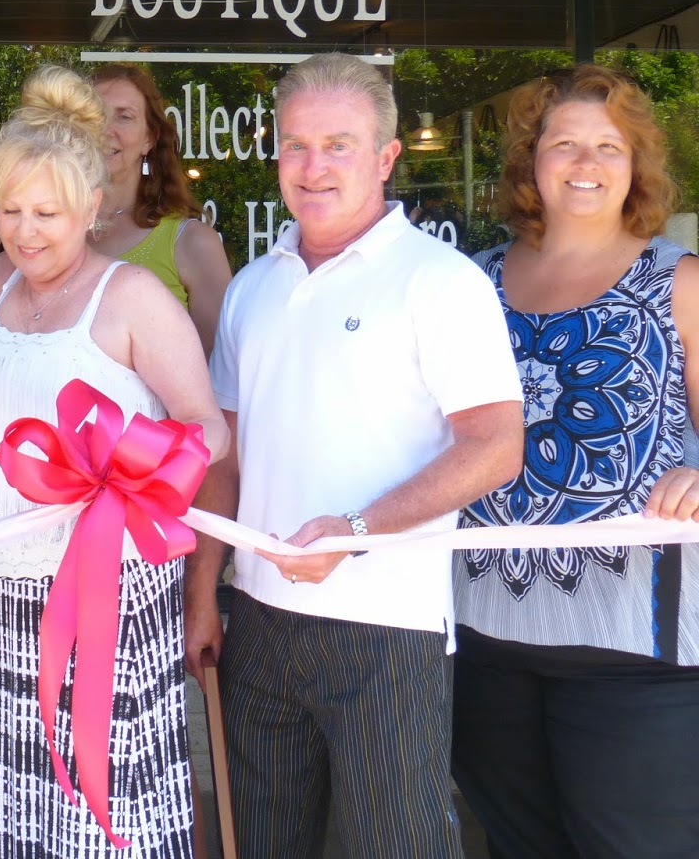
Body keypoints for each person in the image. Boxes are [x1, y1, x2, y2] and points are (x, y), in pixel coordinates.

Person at [0, 65, 230, 859]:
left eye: (46, 214)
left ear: (92, 206)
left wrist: (133, 465)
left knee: (106, 813)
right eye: (10, 210)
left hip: (113, 591)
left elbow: (209, 427)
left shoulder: (133, 295)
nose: (24, 232)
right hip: (7, 585)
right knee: (21, 813)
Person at [187, 52, 523, 859]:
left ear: (385, 157)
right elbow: (223, 460)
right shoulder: (252, 287)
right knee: (259, 843)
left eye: (339, 145)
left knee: (397, 845)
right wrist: (202, 594)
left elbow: (495, 446)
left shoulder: (439, 281)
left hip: (388, 626)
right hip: (257, 617)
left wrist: (356, 529)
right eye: (296, 145)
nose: (314, 167)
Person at [452, 64, 699, 859]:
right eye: (563, 143)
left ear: (636, 165)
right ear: (531, 160)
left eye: (608, 146)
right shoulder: (470, 283)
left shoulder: (680, 281)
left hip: (633, 646)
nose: (585, 162)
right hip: (483, 634)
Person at [89, 64, 231, 354]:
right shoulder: (43, 233)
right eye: (93, 115)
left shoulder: (192, 242)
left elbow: (219, 369)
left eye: (124, 117)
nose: (104, 130)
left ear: (149, 139)